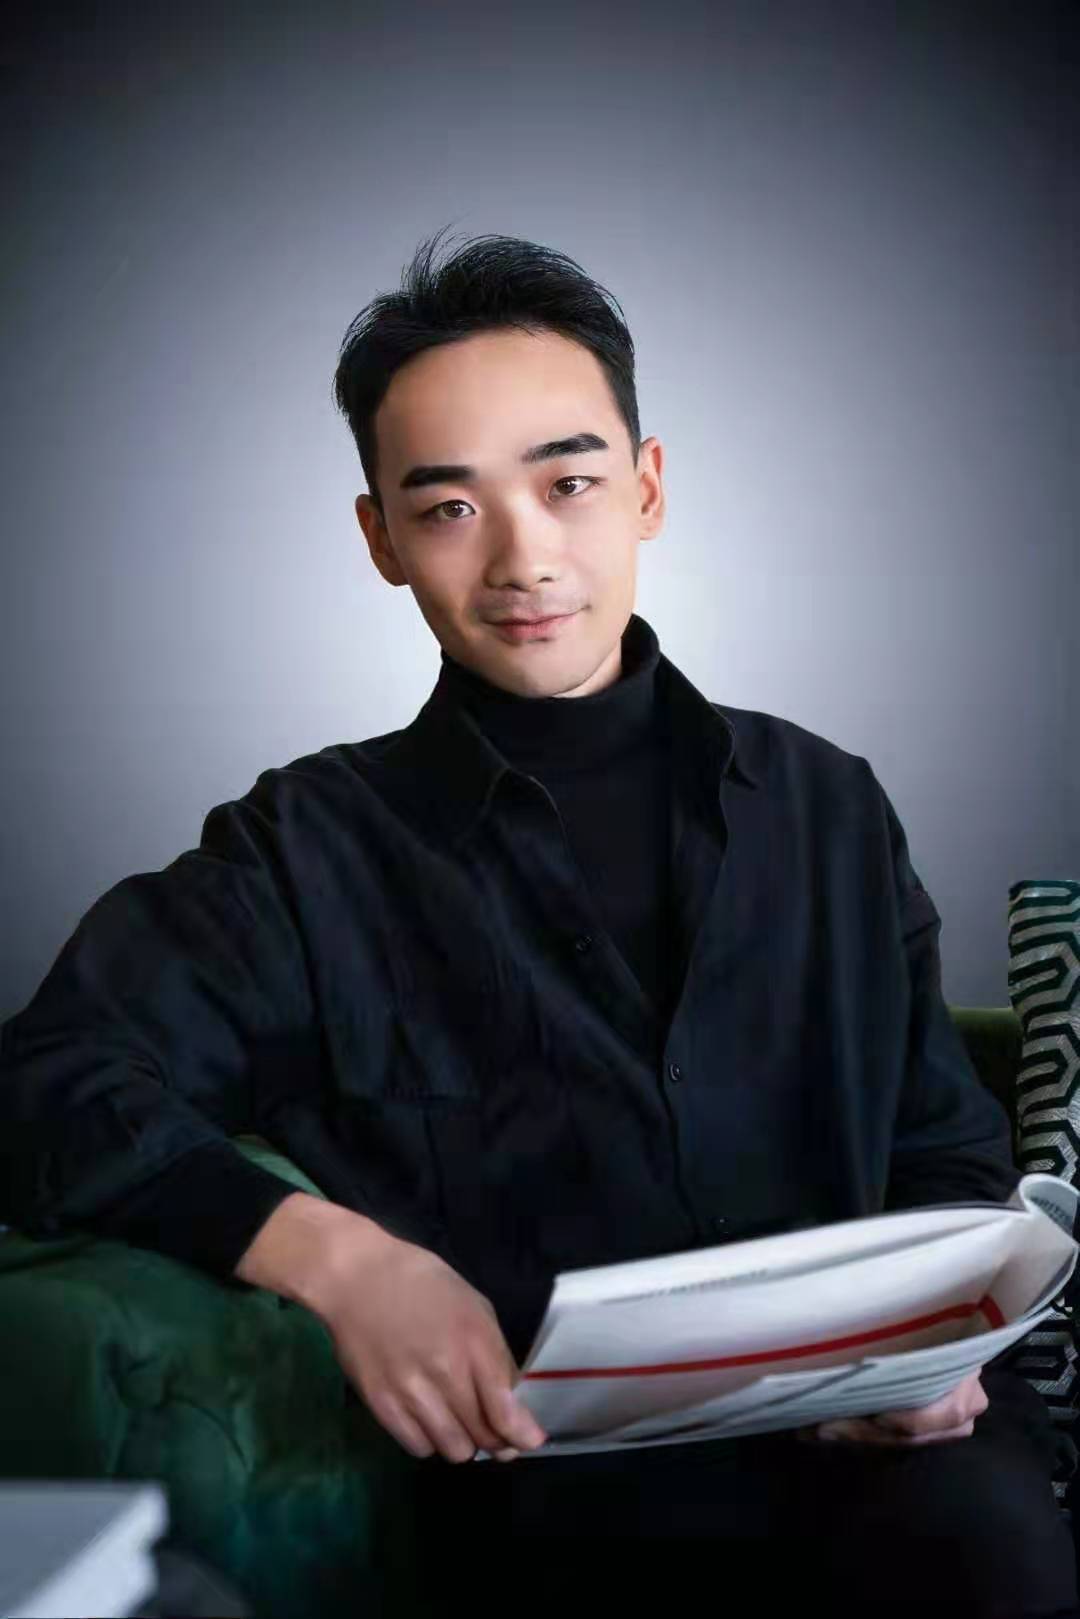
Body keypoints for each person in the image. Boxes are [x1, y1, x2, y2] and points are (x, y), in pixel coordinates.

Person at [0, 226, 1075, 1617]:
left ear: (647, 489)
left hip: (891, 1456)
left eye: (569, 484)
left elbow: (942, 1144)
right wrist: (341, 1259)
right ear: (381, 540)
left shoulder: (827, 803)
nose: (524, 556)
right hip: (555, 1496)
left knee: (983, 1545)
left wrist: (930, 1355)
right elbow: (46, 1077)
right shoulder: (305, 850)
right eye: (449, 507)